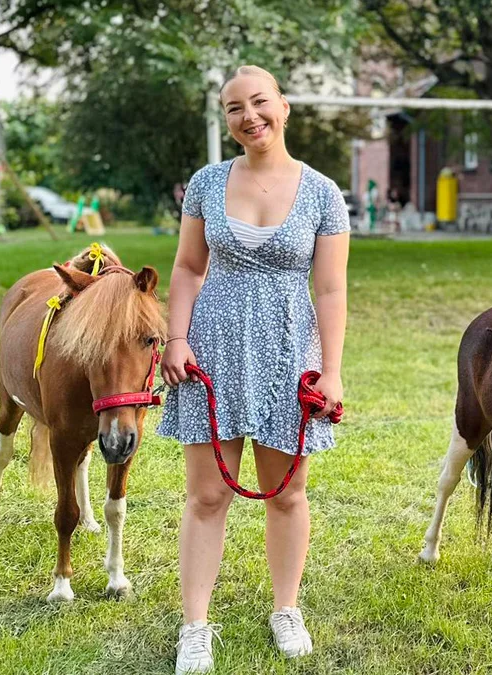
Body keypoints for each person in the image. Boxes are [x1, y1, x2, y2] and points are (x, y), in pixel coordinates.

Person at [157, 64, 350, 674]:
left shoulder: (322, 193)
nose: (249, 116)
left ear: (284, 107)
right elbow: (188, 268)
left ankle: (286, 608)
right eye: (235, 108)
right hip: (212, 348)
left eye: (259, 102)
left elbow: (331, 290)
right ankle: (195, 625)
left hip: (291, 351)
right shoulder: (207, 183)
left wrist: (332, 371)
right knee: (207, 494)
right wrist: (176, 337)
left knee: (288, 493)